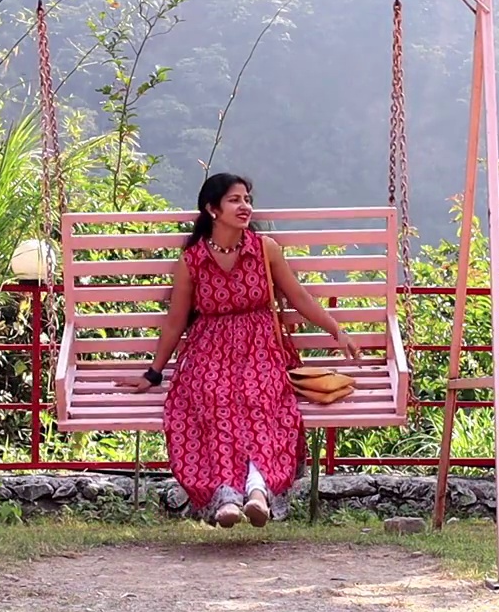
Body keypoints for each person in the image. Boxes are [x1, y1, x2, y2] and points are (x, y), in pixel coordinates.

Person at [118, 173, 360, 527]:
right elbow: (175, 321)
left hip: (260, 347)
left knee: (260, 401)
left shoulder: (265, 249)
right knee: (212, 402)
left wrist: (336, 329)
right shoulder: (193, 261)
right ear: (212, 209)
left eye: (247, 199)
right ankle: (226, 495)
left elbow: (299, 297)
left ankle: (258, 490)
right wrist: (153, 373)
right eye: (234, 200)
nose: (244, 206)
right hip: (208, 349)